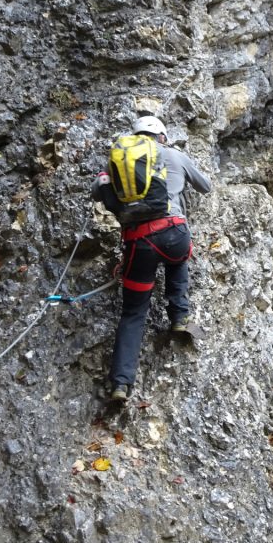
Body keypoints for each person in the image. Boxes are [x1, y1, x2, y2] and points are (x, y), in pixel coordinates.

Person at [92, 116, 212, 401]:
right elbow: (205, 186)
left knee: (133, 312)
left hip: (140, 242)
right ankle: (179, 316)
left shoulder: (120, 159)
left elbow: (98, 192)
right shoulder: (172, 154)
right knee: (178, 259)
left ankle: (121, 384)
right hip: (174, 233)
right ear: (162, 136)